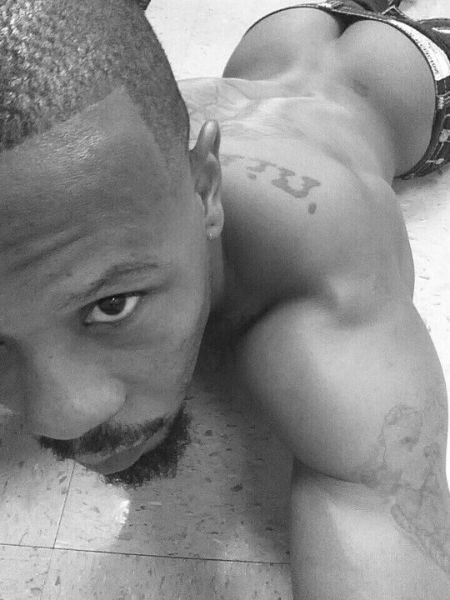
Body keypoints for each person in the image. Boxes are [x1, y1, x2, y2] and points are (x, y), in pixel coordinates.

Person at [0, 0, 449, 596]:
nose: (62, 416)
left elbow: (381, 503)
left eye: (112, 305)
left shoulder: (325, 289)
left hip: (412, 76)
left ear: (207, 191)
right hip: (279, 35)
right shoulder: (99, 131)